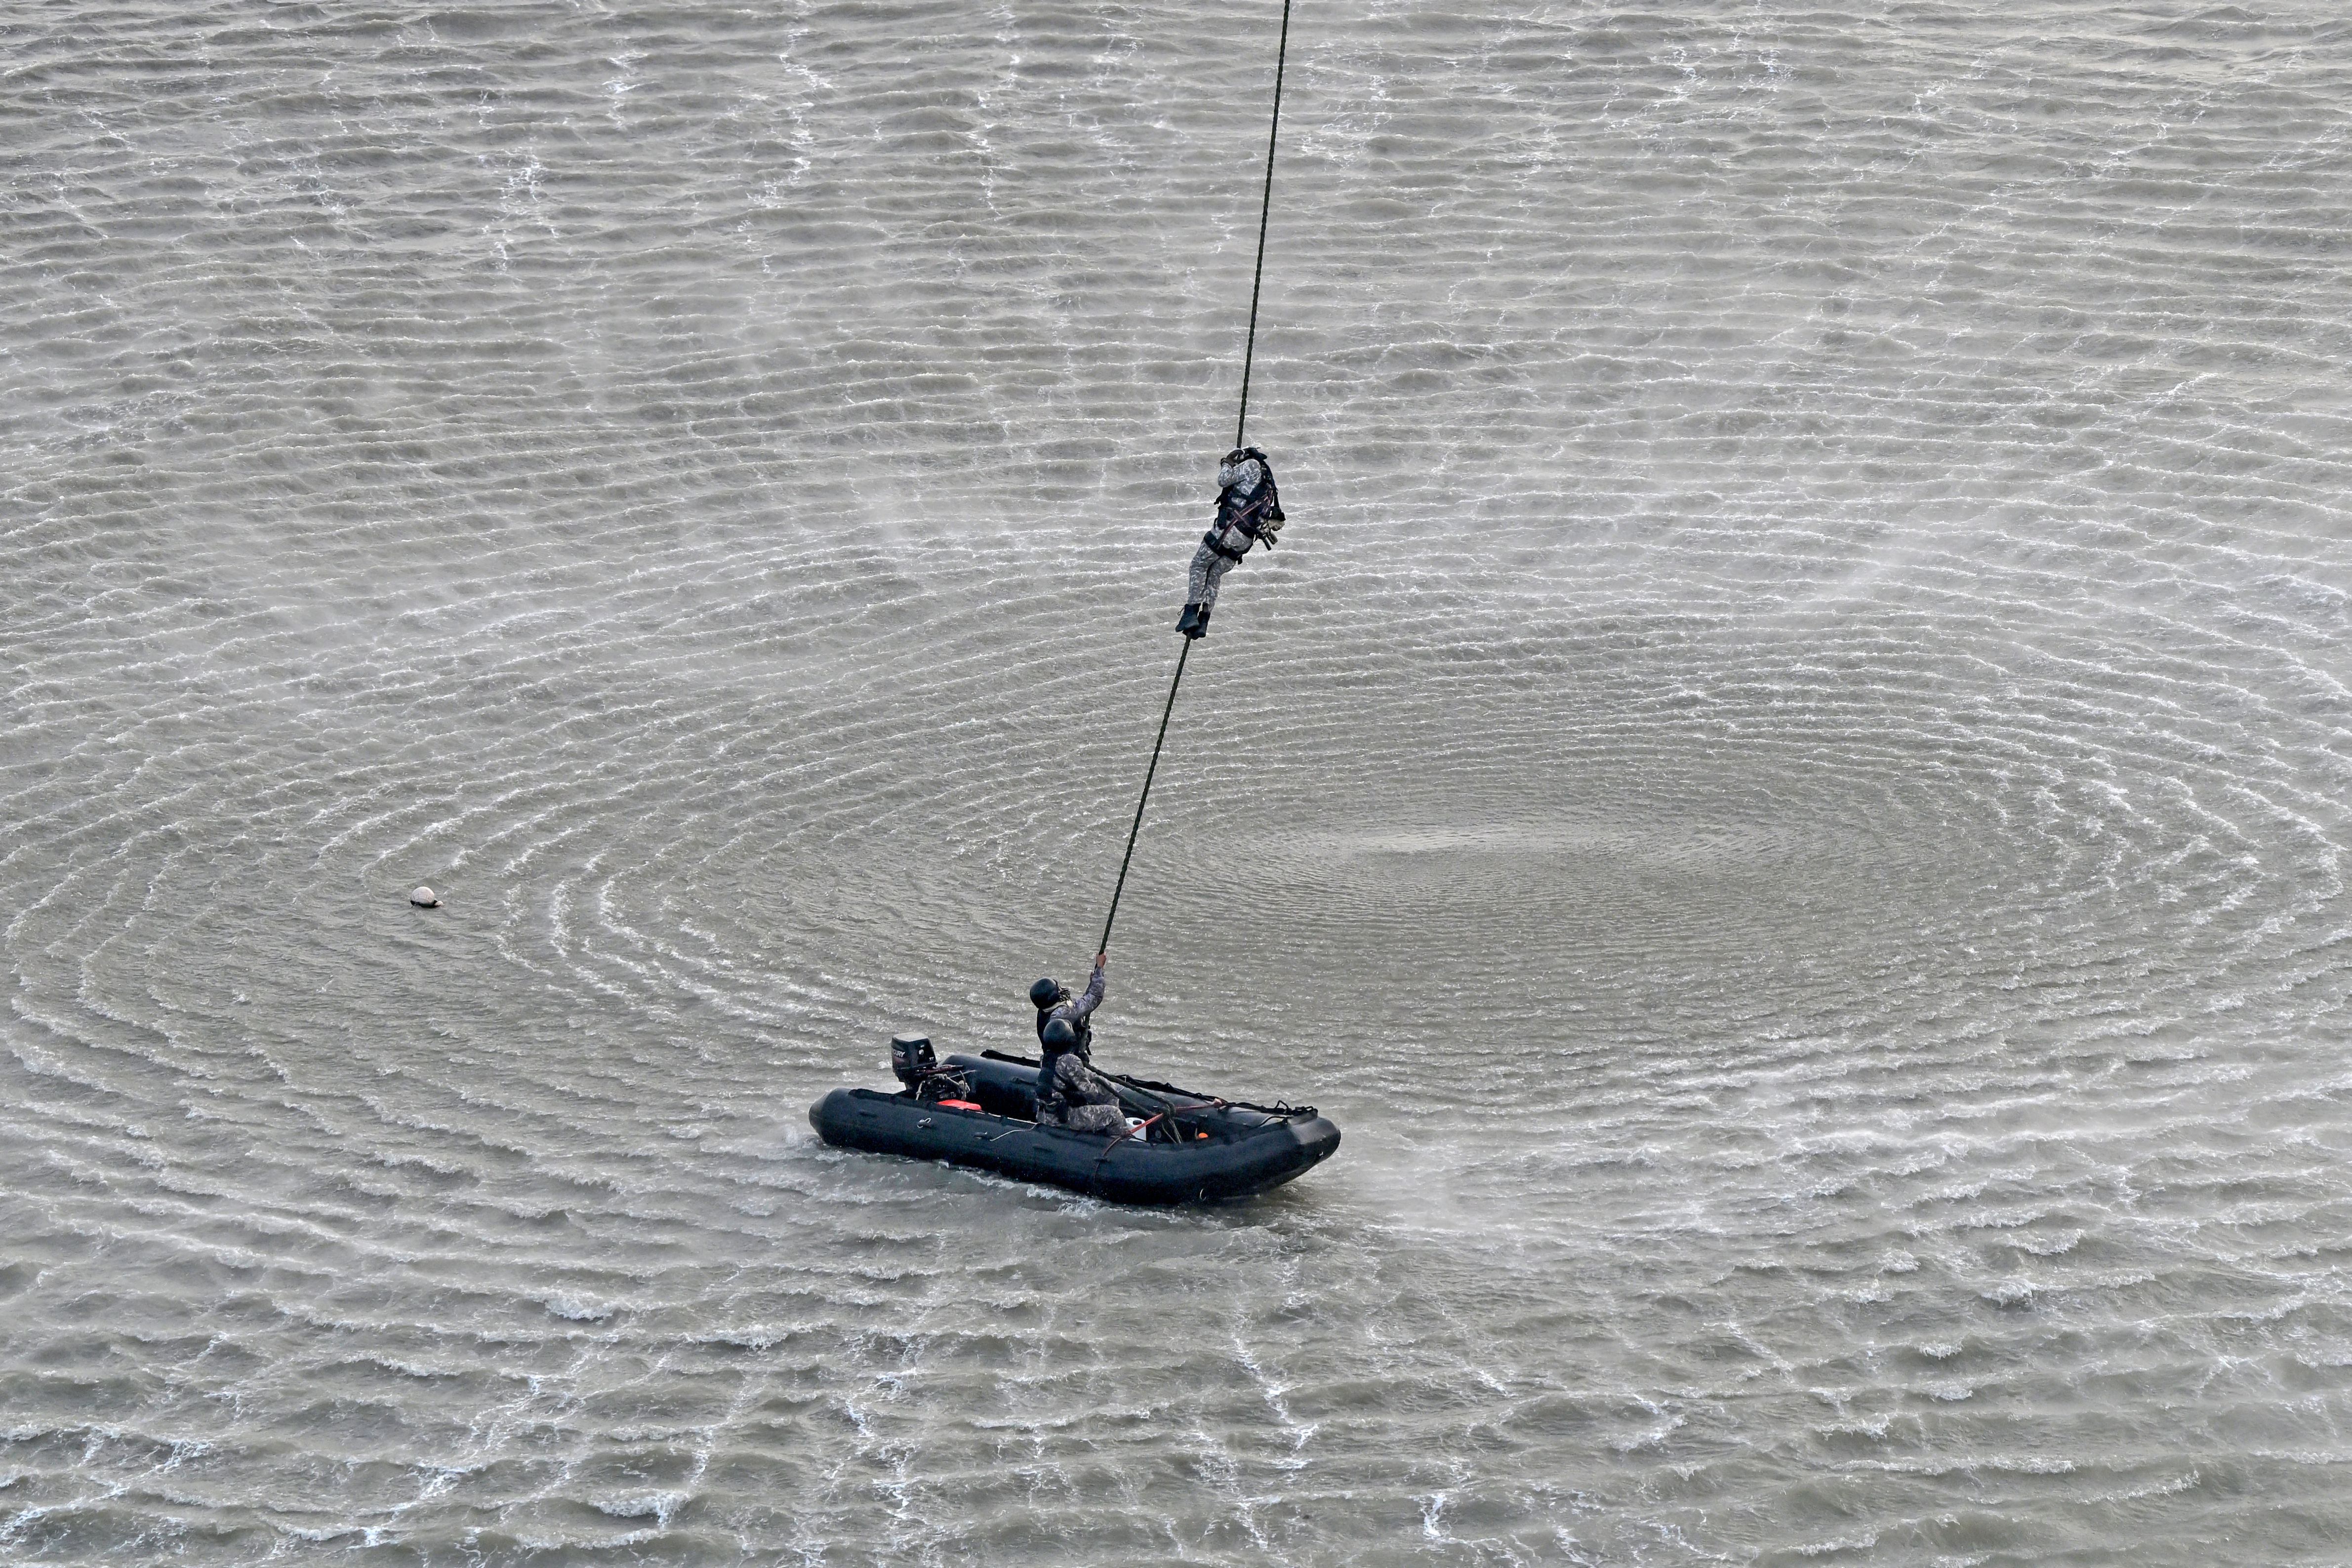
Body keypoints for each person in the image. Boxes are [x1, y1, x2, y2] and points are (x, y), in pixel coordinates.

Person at [1176, 446, 1285, 639]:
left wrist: (1227, 463)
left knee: (1199, 565)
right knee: (1214, 573)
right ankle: (1204, 620)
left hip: (1229, 531)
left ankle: (1191, 612)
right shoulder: (1268, 481)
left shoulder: (1252, 465)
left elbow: (1223, 480)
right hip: (1245, 541)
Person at [1036, 1018, 1127, 1134]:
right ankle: (1117, 1139)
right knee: (1115, 1114)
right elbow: (1089, 1092)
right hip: (1064, 1118)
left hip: (1045, 1115)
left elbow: (1065, 1076)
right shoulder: (1071, 1061)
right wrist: (1105, 1087)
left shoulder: (1045, 1059)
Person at [1028, 952, 1106, 1052]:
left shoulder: (1044, 1011)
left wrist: (1093, 983)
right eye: (1059, 990)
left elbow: (1081, 1005)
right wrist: (1100, 968)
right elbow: (1095, 997)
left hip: (1052, 1055)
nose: (1062, 991)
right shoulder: (1062, 1013)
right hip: (1070, 1055)